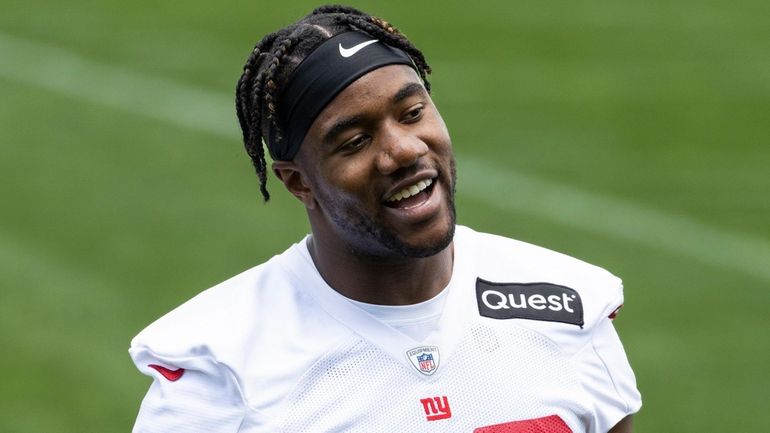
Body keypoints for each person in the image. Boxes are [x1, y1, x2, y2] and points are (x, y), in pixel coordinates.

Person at [129, 5, 642, 432]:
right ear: (297, 181)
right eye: (355, 141)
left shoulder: (568, 306)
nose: (403, 150)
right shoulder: (222, 368)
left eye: (413, 113)